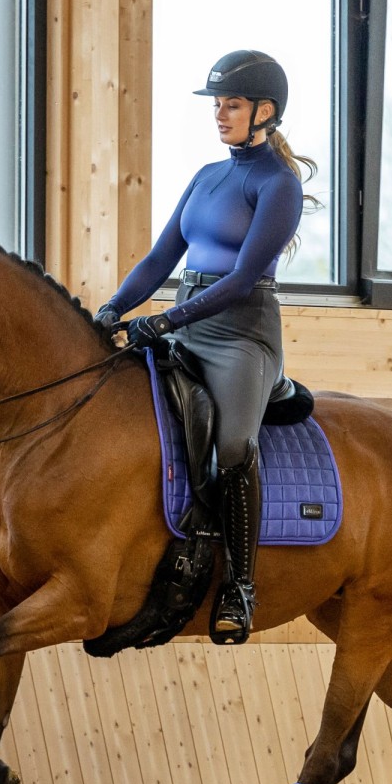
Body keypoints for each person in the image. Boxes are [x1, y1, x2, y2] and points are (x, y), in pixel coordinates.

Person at [95, 49, 317, 642]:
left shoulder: (279, 185)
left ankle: (240, 587)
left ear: (264, 111)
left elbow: (243, 279)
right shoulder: (206, 177)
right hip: (187, 317)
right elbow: (161, 257)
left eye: (232, 105)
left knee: (235, 443)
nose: (220, 115)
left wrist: (164, 322)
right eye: (217, 104)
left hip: (241, 330)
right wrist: (114, 307)